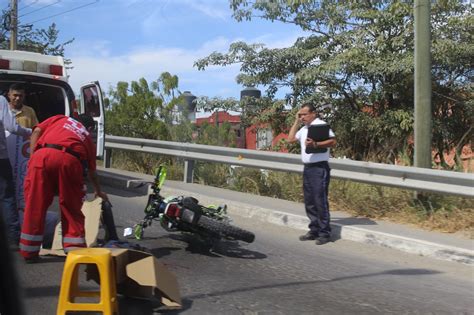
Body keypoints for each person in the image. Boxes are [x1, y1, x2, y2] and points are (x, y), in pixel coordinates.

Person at [19, 114, 108, 262]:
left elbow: (36, 132)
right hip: (69, 161)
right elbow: (92, 172)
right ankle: (74, 250)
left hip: (42, 156)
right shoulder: (86, 137)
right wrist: (98, 191)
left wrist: (34, 156)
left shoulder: (60, 118)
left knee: (35, 204)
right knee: (71, 205)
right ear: (90, 128)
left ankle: (29, 251)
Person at [288, 103, 336, 245]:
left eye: (304, 114)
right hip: (308, 168)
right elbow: (290, 139)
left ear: (313, 113)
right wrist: (296, 121)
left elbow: (333, 141)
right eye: (300, 115)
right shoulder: (304, 129)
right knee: (310, 201)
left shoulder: (321, 125)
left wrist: (316, 145)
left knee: (320, 200)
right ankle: (314, 229)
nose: (302, 117)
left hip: (319, 168)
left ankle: (324, 233)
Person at [1, 96, 31, 250]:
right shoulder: (0, 101)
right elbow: (12, 127)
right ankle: (13, 238)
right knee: (6, 197)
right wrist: (29, 132)